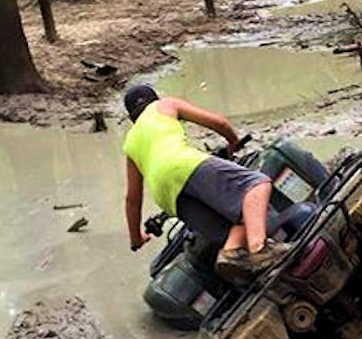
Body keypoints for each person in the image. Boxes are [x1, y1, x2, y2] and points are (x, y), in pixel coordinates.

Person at [121, 83, 291, 280]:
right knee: (257, 185)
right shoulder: (164, 105)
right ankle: (259, 248)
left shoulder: (130, 143)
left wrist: (136, 238)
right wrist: (233, 142)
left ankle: (231, 252)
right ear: (155, 99)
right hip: (183, 164)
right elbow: (219, 123)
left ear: (131, 118)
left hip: (165, 196)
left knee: (239, 220)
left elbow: (132, 199)